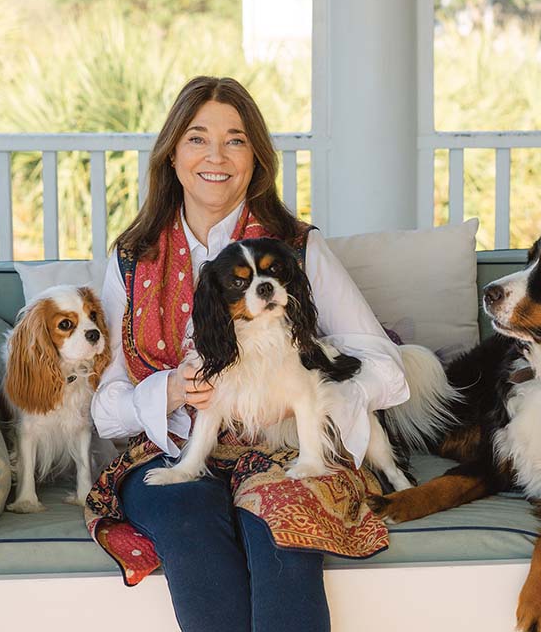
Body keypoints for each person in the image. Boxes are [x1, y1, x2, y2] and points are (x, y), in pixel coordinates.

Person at [85, 76, 410, 632]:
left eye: (235, 139)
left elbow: (385, 367)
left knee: (279, 526)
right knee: (188, 519)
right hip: (178, 447)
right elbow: (106, 404)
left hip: (285, 450)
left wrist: (309, 396)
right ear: (171, 153)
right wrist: (167, 392)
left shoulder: (296, 248)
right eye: (197, 138)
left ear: (256, 157)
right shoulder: (133, 256)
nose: (216, 155)